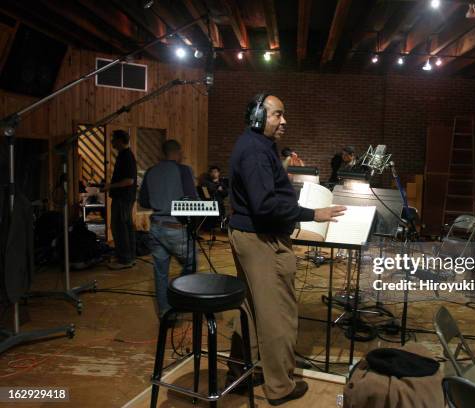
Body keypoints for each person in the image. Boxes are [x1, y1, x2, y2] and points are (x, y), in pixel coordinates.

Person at [227, 92, 345, 405]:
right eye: (277, 114)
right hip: (261, 240)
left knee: (251, 309)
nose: (284, 121)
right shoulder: (254, 151)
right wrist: (311, 215)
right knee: (277, 315)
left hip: (250, 236)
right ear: (257, 116)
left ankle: (240, 373)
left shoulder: (258, 146)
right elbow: (265, 206)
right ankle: (279, 387)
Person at [138, 139, 198, 319]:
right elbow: (191, 199)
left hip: (156, 227)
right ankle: (179, 296)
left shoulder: (150, 171)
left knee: (160, 271)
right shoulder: (184, 170)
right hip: (176, 227)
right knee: (191, 263)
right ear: (177, 153)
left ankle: (165, 312)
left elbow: (144, 202)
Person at [102, 130, 137, 269]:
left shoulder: (126, 156)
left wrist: (110, 185)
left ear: (120, 140)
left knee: (119, 227)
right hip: (124, 197)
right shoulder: (124, 155)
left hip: (123, 198)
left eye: (114, 139)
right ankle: (129, 257)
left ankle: (125, 260)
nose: (112, 142)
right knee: (126, 227)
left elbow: (129, 181)